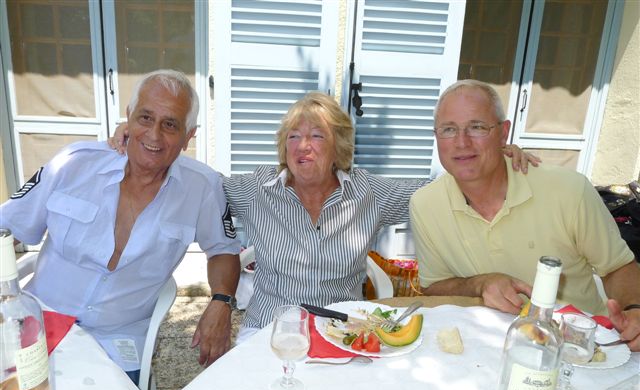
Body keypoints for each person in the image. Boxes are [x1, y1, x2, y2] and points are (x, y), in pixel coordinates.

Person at [111, 92, 536, 342]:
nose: (303, 146)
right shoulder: (258, 189)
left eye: (317, 135)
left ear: (338, 148)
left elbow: (442, 188)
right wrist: (145, 141)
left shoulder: (369, 193)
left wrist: (491, 157)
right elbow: (198, 182)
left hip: (342, 332)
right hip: (268, 330)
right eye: (293, 136)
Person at [0, 70, 241, 380]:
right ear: (128, 117)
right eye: (145, 118)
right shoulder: (74, 163)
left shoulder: (202, 187)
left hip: (117, 341)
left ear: (188, 136)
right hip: (40, 323)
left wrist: (222, 302)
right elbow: (7, 227)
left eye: (170, 124)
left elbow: (223, 249)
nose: (154, 135)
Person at [410, 79, 640, 351]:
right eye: (449, 129)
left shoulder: (569, 190)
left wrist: (634, 310)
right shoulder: (424, 204)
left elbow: (617, 267)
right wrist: (480, 284)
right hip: (484, 348)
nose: (462, 142)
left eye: (477, 127)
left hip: (579, 349)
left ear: (503, 132)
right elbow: (434, 287)